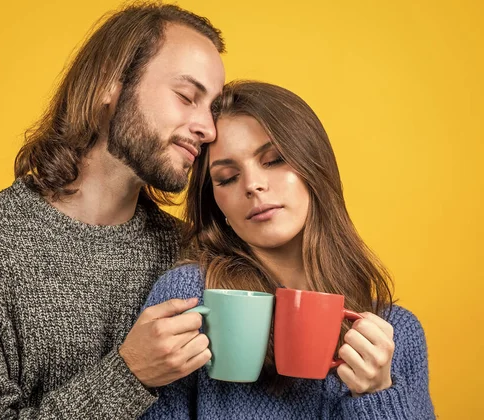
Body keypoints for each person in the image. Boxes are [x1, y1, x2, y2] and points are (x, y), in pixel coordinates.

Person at [0, 3, 225, 419]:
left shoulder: (192, 251)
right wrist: (129, 375)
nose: (209, 129)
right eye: (187, 97)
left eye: (212, 109)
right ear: (110, 84)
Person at [139, 81, 436, 419]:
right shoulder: (191, 297)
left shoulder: (395, 334)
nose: (253, 185)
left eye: (274, 160)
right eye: (226, 178)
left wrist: (377, 394)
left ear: (314, 168)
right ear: (215, 202)